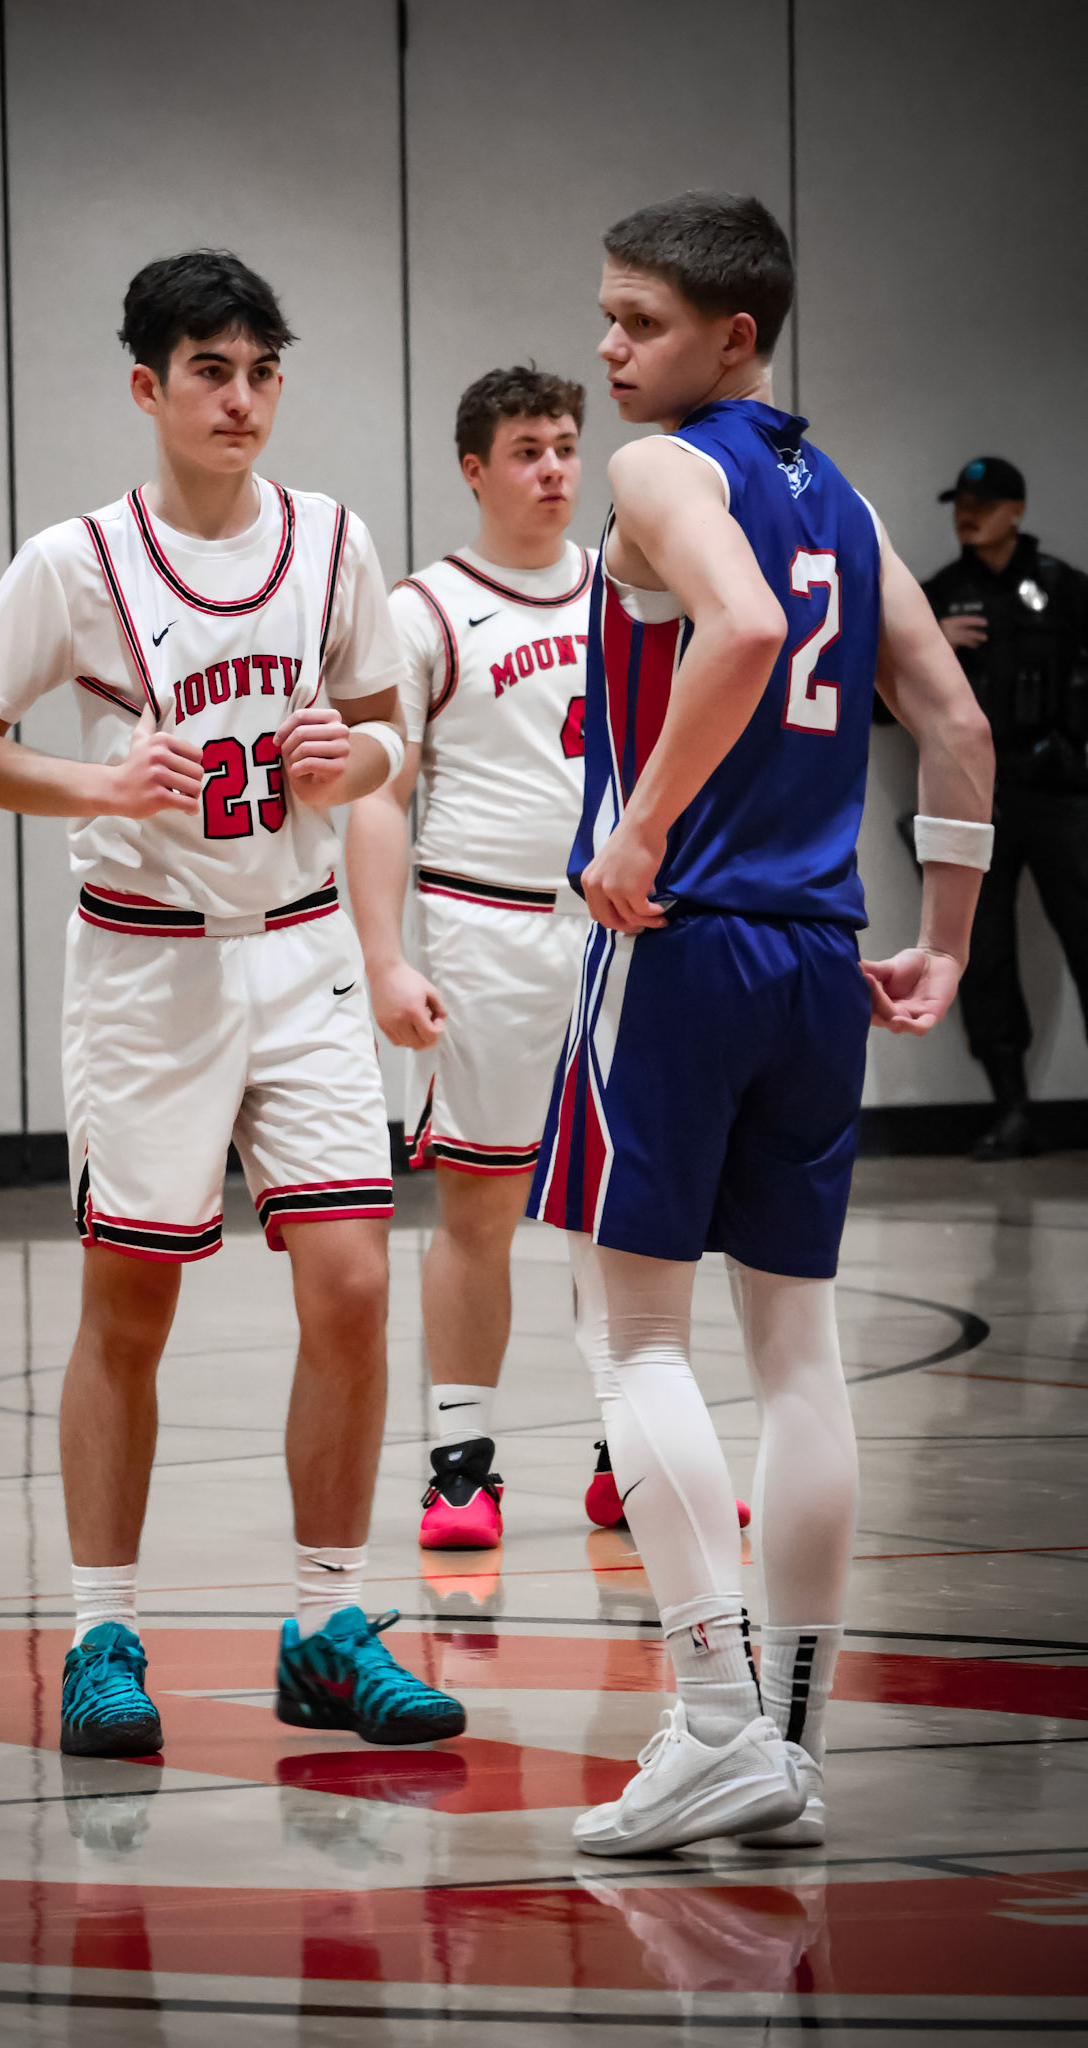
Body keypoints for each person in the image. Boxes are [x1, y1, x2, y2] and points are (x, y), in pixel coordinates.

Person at [0, 249, 464, 1759]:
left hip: (301, 951)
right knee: (132, 1302)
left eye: (261, 371)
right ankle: (102, 1633)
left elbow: (390, 736)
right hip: (146, 965)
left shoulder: (334, 538)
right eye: (210, 371)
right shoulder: (75, 562)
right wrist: (97, 782)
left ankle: (327, 1628)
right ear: (148, 387)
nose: (241, 399)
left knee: (352, 1282)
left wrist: (357, 759)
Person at [529, 192, 994, 1854]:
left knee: (631, 1336)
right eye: (605, 313)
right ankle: (787, 1746)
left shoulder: (663, 470)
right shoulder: (847, 498)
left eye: (639, 321)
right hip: (818, 958)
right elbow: (954, 721)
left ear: (732, 338)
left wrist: (640, 830)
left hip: (679, 944)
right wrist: (944, 941)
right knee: (797, 1346)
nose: (607, 347)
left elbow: (736, 627)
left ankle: (717, 1716)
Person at [346, 365, 613, 1550]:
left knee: (623, 1209)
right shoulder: (425, 609)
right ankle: (462, 1467)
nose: (553, 470)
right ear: (474, 468)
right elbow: (380, 797)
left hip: (617, 927)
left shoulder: (631, 592)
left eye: (565, 447)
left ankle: (631, 1456)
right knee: (483, 1207)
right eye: (526, 451)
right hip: (483, 930)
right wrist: (385, 957)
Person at [923, 457, 1088, 1159]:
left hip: (1056, 793)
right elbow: (878, 705)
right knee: (981, 953)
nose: (967, 514)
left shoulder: (1064, 588)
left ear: (1015, 511)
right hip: (974, 799)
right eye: (960, 502)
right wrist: (934, 642)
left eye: (983, 504)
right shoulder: (938, 595)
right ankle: (1010, 1111)